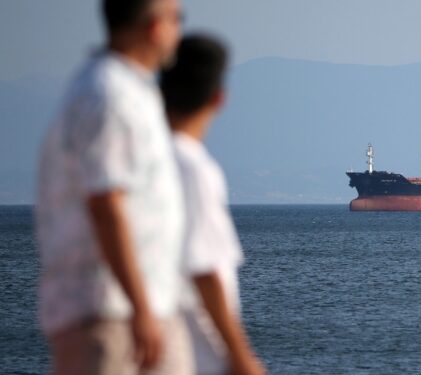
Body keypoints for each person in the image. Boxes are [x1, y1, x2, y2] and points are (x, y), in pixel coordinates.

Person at [35, 0, 191, 373]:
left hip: (130, 309)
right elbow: (106, 205)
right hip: (112, 313)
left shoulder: (126, 92)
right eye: (177, 19)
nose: (179, 31)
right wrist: (141, 307)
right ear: (154, 27)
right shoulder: (111, 98)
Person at [160, 35, 267, 375]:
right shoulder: (193, 167)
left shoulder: (141, 161)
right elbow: (206, 270)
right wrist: (240, 355)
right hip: (193, 354)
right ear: (219, 98)